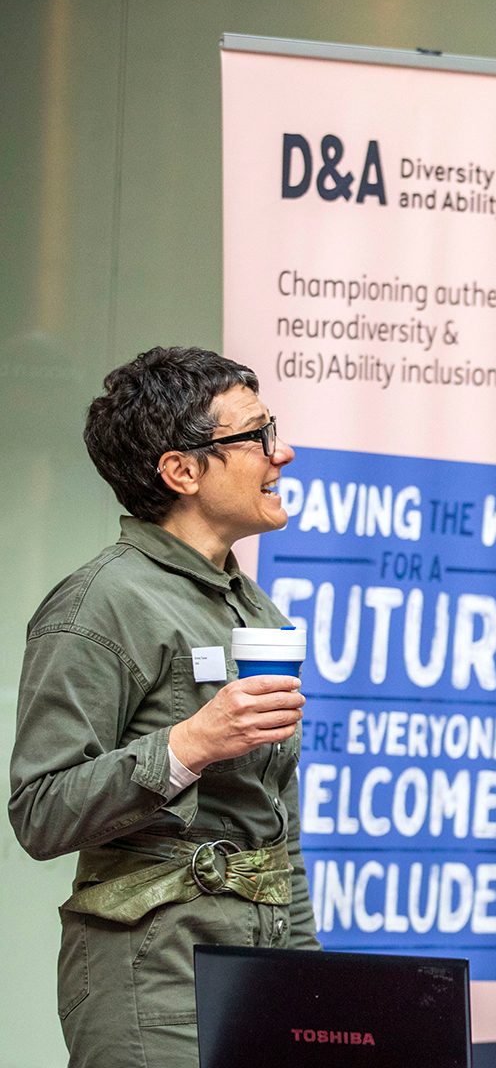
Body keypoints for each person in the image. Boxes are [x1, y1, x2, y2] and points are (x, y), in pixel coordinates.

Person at [9, 347, 317, 1068]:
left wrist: (311, 981)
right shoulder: (99, 602)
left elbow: (277, 830)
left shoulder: (257, 614)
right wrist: (189, 746)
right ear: (182, 472)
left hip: (260, 976)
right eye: (258, 436)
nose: (285, 452)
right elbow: (40, 811)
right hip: (152, 979)